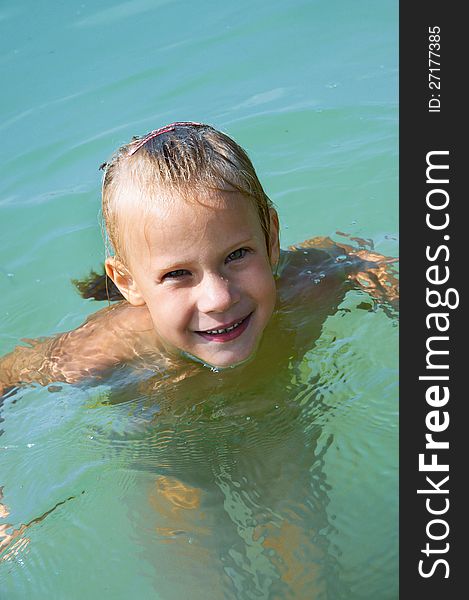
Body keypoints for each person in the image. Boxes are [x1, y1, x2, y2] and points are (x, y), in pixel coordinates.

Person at [0, 121, 398, 397]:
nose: (219, 299)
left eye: (237, 255)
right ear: (128, 282)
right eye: (177, 274)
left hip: (273, 407)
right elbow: (6, 378)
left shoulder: (308, 279)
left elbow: (357, 260)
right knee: (188, 509)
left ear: (272, 238)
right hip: (168, 436)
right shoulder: (114, 343)